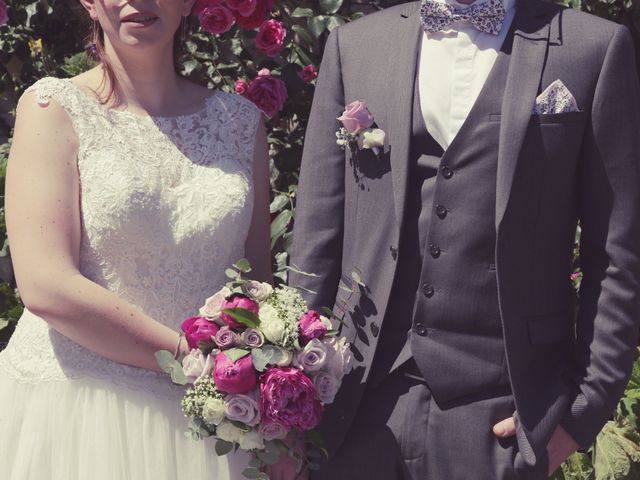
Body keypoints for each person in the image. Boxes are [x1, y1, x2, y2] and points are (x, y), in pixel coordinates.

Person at [290, 0, 640, 478]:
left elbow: (617, 251)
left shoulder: (592, 47)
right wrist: (288, 390)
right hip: (354, 402)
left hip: (501, 412)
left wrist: (579, 415)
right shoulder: (355, 45)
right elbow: (317, 233)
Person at [0, 0, 271, 478]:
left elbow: (258, 289)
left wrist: (274, 408)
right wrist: (191, 361)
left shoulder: (241, 123)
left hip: (213, 427)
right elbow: (45, 285)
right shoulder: (53, 107)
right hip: (79, 416)